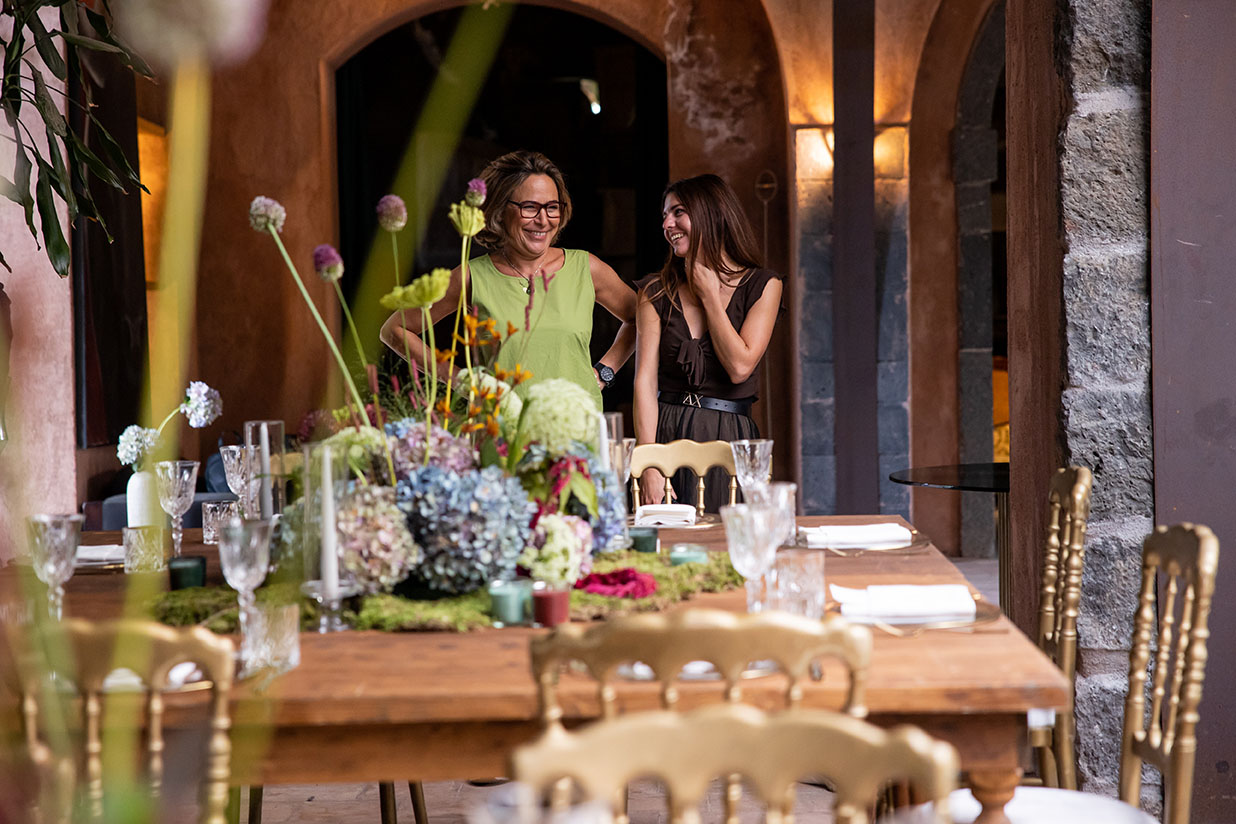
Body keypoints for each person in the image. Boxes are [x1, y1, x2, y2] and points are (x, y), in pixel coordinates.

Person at [380, 150, 636, 410]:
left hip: (577, 432)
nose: (543, 220)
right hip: (502, 435)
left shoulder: (586, 268)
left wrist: (605, 371)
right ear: (500, 211)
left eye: (552, 207)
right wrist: (462, 381)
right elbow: (395, 330)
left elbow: (642, 316)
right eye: (529, 207)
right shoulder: (471, 277)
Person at [633, 174, 784, 511]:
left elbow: (739, 367)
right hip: (666, 429)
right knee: (664, 546)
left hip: (728, 436)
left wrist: (710, 298)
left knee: (726, 545)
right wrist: (649, 461)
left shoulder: (764, 284)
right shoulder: (655, 291)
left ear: (710, 214)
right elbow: (644, 380)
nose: (667, 224)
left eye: (678, 213)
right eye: (664, 216)